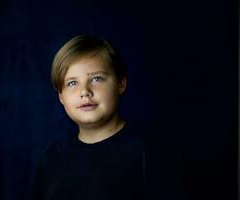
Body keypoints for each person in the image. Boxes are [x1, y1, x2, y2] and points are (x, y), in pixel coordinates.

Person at [31, 34, 187, 200]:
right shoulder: (52, 159)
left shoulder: (148, 154)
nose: (85, 91)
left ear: (121, 84)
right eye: (72, 83)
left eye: (97, 79)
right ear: (61, 96)